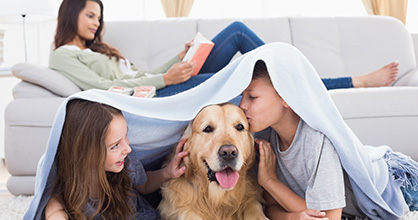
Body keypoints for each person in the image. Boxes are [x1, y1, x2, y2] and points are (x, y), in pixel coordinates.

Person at [50, 0, 399, 97]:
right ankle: (346, 82)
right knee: (259, 72)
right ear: (71, 13)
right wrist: (166, 82)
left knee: (237, 35)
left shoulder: (98, 51)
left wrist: (181, 58)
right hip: (160, 96)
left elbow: (144, 74)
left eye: (99, 17)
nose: (96, 23)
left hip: (166, 83)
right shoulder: (62, 56)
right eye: (90, 15)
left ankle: (318, 80)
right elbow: (101, 89)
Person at [239, 58, 418, 220]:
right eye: (242, 96)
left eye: (252, 97)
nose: (242, 105)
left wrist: (270, 181)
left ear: (286, 97)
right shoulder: (263, 138)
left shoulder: (316, 139)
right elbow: (271, 206)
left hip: (396, 188)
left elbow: (329, 218)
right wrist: (293, 217)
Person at [44, 99, 188, 220]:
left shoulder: (126, 162)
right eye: (115, 146)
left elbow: (144, 185)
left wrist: (167, 172)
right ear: (87, 153)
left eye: (125, 136)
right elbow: (54, 211)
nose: (127, 149)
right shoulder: (68, 188)